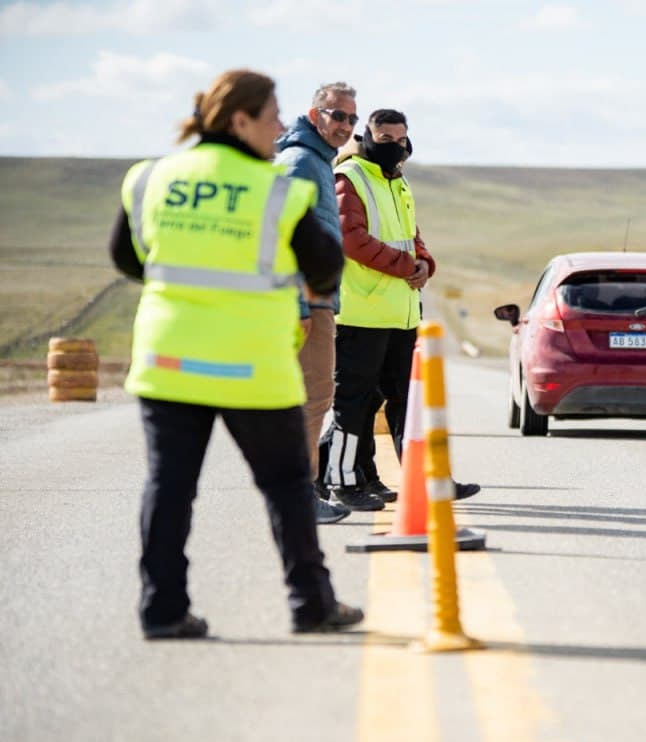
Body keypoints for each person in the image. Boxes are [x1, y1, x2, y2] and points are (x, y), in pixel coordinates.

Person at [109, 69, 364, 638]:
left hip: (168, 361)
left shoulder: (151, 177)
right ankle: (312, 604)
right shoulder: (276, 191)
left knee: (169, 486)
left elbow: (127, 259)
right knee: (286, 486)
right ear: (240, 121)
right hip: (252, 365)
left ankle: (162, 610)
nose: (281, 126)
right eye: (273, 115)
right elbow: (326, 267)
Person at [325, 108, 479, 510]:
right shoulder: (350, 178)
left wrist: (425, 263)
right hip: (361, 314)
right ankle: (344, 482)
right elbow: (350, 238)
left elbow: (411, 236)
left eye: (400, 139)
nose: (395, 146)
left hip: (403, 312)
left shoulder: (398, 181)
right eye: (385, 139)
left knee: (407, 404)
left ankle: (425, 480)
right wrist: (404, 265)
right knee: (354, 404)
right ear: (367, 137)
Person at [274, 81, 359, 525]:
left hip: (315, 299)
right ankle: (300, 497)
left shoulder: (317, 161)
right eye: (337, 115)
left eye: (351, 118)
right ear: (314, 115)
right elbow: (280, 234)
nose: (345, 125)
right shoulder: (302, 163)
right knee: (313, 398)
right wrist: (300, 305)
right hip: (308, 300)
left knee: (310, 399)